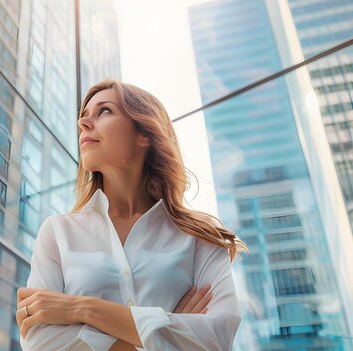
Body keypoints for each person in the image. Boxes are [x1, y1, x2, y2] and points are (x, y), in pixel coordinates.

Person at [15, 80, 249, 350]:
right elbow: (39, 342)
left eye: (104, 111)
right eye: (84, 115)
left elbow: (216, 337)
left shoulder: (198, 234)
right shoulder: (57, 232)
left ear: (144, 135)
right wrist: (165, 333)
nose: (84, 123)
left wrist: (81, 309)